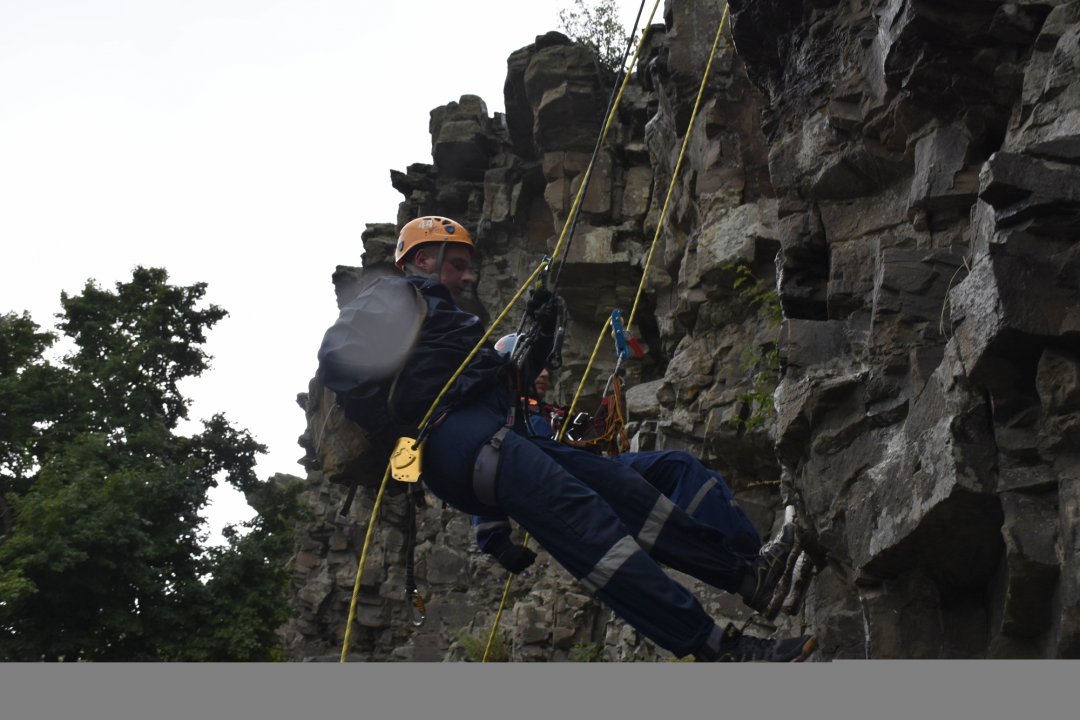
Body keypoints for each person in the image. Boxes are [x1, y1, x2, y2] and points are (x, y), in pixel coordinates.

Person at [317, 215, 816, 662]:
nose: (468, 276)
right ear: (423, 258)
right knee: (593, 529)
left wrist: (537, 337)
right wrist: (398, 420)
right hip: (457, 441)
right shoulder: (395, 296)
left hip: (489, 437)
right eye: (459, 264)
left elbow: (500, 387)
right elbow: (338, 357)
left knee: (625, 492)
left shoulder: (443, 322)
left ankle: (746, 576)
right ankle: (719, 648)